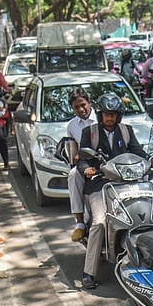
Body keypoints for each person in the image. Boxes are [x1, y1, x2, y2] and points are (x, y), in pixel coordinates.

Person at [76, 93, 153, 290]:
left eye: (113, 114)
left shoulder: (126, 131)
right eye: (106, 114)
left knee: (152, 214)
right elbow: (82, 158)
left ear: (119, 116)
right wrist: (86, 169)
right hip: (100, 185)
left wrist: (151, 161)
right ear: (100, 115)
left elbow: (138, 152)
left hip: (126, 182)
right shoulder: (90, 132)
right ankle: (89, 272)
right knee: (99, 222)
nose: (109, 118)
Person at [65, 88, 98, 241]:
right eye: (76, 107)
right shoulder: (72, 126)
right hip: (85, 163)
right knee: (72, 175)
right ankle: (80, 223)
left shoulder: (101, 117)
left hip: (106, 161)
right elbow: (74, 150)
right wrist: (77, 157)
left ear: (89, 102)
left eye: (83, 105)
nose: (81, 109)